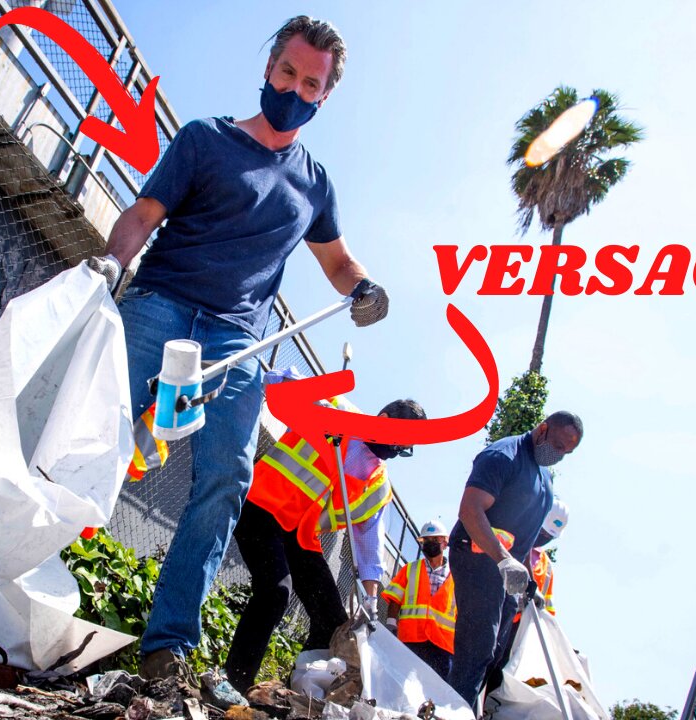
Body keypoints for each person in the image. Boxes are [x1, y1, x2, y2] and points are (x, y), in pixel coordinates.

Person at [86, 16, 391, 680]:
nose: (294, 88)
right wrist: (108, 268)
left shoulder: (314, 184)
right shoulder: (205, 139)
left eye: (310, 83)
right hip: (160, 305)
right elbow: (143, 215)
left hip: (238, 341)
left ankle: (167, 648)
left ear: (323, 97)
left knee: (225, 480)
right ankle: (8, 563)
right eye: (287, 72)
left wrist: (365, 287)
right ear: (268, 69)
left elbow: (338, 264)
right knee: (92, 437)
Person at [224, 398, 426, 693]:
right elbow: (288, 390)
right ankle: (235, 681)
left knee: (333, 622)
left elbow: (369, 548)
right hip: (263, 506)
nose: (397, 449)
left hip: (300, 534)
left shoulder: (378, 485)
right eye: (399, 439)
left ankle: (296, 692)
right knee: (275, 591)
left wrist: (370, 603)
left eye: (405, 446)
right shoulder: (338, 414)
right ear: (383, 417)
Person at [447, 411, 584, 707]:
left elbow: (524, 536)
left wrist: (529, 582)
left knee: (495, 652)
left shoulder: (545, 477)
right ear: (543, 429)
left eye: (567, 452)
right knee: (479, 644)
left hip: (504, 572)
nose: (559, 455)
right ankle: (453, 711)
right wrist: (505, 560)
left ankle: (464, 707)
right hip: (477, 556)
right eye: (558, 446)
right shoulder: (503, 456)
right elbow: (470, 511)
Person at [382, 520, 456, 680]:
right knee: (403, 684)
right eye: (425, 540)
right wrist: (391, 624)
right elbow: (395, 599)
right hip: (411, 639)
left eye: (434, 540)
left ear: (445, 542)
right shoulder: (410, 569)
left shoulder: (457, 576)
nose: (430, 544)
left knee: (435, 692)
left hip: (442, 645)